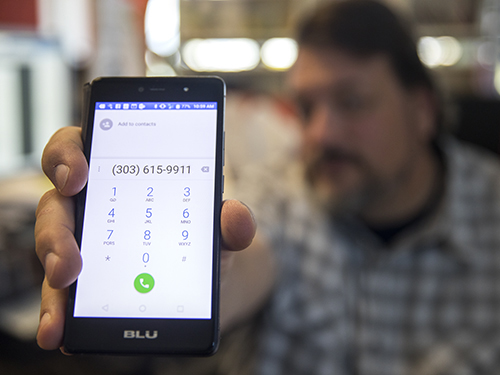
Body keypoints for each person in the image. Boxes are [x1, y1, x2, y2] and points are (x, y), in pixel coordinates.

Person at [35, 0, 500, 374]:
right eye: (306, 107)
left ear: (422, 110)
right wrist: (205, 270)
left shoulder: (492, 215)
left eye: (352, 102)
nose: (319, 134)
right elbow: (243, 260)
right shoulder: (284, 192)